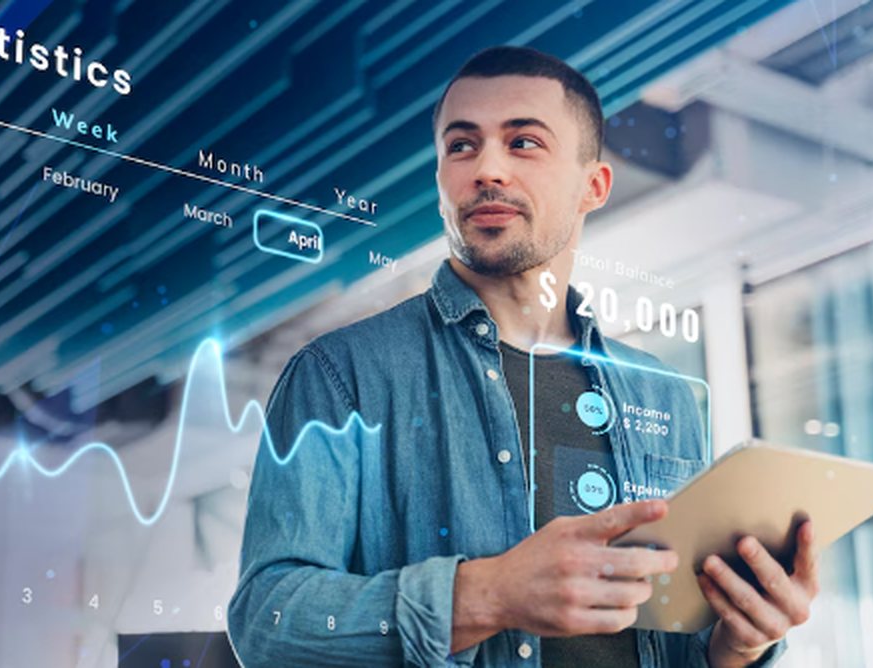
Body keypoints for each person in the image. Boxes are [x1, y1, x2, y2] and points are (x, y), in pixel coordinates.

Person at [227, 46, 819, 667]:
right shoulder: (339, 375)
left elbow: (681, 647)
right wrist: (488, 596)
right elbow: (266, 622)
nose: (486, 168)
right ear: (440, 183)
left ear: (593, 186)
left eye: (524, 143)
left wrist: (742, 643)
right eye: (461, 146)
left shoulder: (663, 394)